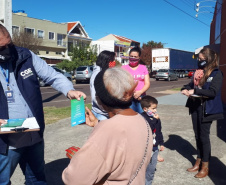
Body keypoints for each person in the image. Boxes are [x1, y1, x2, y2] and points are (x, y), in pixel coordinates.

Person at [0, 24, 86, 184]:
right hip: (5, 142)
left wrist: (69, 90)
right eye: (1, 48)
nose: (7, 50)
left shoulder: (24, 55)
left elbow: (53, 76)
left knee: (37, 179)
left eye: (9, 44)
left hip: (33, 134)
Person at [62, 67, 153, 185]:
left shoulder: (107, 130)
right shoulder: (142, 120)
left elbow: (74, 180)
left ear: (100, 100)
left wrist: (78, 159)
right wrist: (97, 123)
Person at [181, 47, 224, 178]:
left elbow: (213, 92)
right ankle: (198, 161)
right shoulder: (198, 73)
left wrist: (196, 91)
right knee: (197, 136)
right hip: (195, 107)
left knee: (204, 137)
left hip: (207, 109)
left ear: (209, 59)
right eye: (198, 59)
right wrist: (185, 89)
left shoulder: (216, 73)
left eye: (202, 59)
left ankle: (205, 166)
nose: (199, 61)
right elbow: (190, 85)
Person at [140, 95, 164, 185]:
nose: (155, 110)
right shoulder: (142, 118)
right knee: (142, 168)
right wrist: (154, 120)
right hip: (144, 148)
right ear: (145, 109)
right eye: (153, 108)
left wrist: (161, 143)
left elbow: (158, 131)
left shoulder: (156, 118)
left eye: (156, 108)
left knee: (151, 168)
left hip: (154, 148)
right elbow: (149, 127)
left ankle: (148, 183)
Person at [122, 46, 150, 113]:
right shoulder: (123, 68)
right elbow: (121, 83)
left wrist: (140, 92)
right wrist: (132, 92)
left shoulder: (143, 68)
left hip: (141, 97)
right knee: (130, 118)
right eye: (131, 56)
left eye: (135, 57)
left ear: (139, 58)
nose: (133, 58)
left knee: (142, 117)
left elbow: (147, 83)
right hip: (128, 98)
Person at [90, 50, 116, 120]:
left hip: (106, 112)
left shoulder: (104, 72)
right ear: (106, 61)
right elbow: (95, 96)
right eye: (112, 60)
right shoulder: (98, 75)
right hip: (102, 113)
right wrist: (107, 109)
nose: (114, 62)